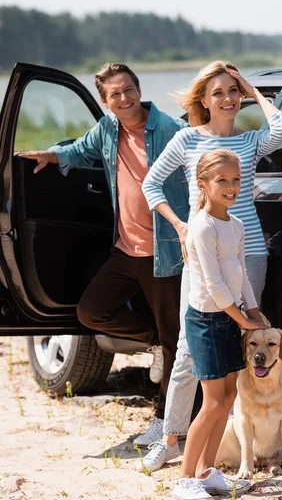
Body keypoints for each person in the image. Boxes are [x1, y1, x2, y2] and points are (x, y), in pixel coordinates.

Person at [18, 63, 189, 447]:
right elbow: (80, 150)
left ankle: (166, 423)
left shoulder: (171, 131)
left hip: (166, 252)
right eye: (115, 94)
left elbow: (200, 170)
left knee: (176, 340)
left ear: (138, 88)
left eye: (128, 89)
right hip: (126, 248)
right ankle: (154, 341)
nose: (124, 98)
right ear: (104, 101)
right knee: (91, 312)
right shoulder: (108, 129)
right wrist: (52, 155)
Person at [141, 60, 282, 474]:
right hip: (203, 252)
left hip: (249, 253)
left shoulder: (249, 142)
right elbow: (150, 183)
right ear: (204, 102)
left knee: (236, 350)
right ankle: (170, 438)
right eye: (218, 93)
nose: (227, 99)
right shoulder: (188, 139)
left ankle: (218, 448)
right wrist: (180, 225)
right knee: (191, 351)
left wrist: (250, 87)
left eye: (232, 92)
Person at [172, 148, 266, 500]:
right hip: (207, 322)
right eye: (222, 180)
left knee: (228, 398)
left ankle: (207, 472)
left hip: (230, 319)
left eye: (236, 180)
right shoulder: (201, 227)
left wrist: (253, 312)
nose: (231, 186)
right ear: (203, 185)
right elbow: (213, 284)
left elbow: (239, 275)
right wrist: (243, 320)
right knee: (211, 402)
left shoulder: (236, 225)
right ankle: (184, 479)